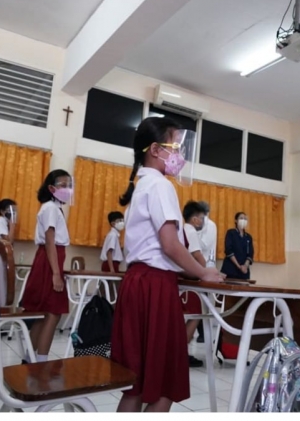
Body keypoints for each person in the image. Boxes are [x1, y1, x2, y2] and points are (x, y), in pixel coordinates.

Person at [111, 116, 224, 413]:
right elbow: (171, 245)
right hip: (155, 286)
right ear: (155, 150)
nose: (179, 154)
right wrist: (204, 272)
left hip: (137, 283)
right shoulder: (160, 186)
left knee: (135, 381)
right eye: (175, 145)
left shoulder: (142, 185)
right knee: (166, 382)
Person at [20, 169, 73, 363]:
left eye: (69, 185)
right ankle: (41, 361)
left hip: (49, 259)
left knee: (46, 313)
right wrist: (56, 274)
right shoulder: (50, 208)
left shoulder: (53, 208)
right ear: (51, 188)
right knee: (53, 312)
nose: (68, 189)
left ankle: (29, 359)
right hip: (49, 261)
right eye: (63, 185)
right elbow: (50, 241)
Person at [181, 200, 207, 367]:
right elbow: (198, 257)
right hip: (190, 280)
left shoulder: (180, 229)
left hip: (179, 278)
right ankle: (182, 353)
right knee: (196, 315)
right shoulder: (191, 231)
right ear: (195, 219)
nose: (203, 221)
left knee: (184, 317)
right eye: (202, 218)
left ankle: (179, 351)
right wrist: (206, 272)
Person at [195, 200, 217, 343]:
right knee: (196, 301)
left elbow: (204, 244)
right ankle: (200, 332)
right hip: (195, 265)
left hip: (206, 265)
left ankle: (206, 333)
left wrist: (193, 233)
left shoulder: (211, 225)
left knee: (205, 303)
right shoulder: (197, 225)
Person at [220, 212, 254, 280]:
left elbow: (250, 254)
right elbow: (228, 250)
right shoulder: (231, 233)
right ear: (236, 220)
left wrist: (245, 266)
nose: (243, 220)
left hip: (244, 272)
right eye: (241, 218)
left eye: (245, 219)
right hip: (230, 269)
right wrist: (239, 266)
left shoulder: (248, 237)